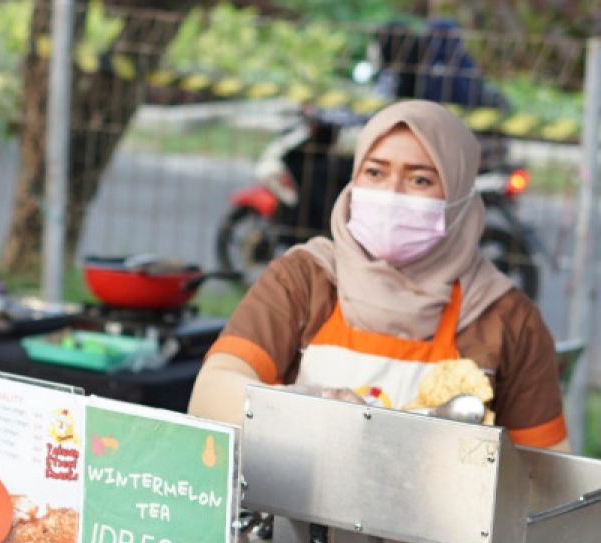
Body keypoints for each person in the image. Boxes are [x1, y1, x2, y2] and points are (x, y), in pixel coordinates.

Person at [188, 99, 567, 451]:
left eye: (420, 180)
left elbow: (543, 470)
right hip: (292, 516)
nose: (392, 194)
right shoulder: (305, 278)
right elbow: (211, 392)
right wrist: (301, 407)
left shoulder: (506, 319)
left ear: (458, 197)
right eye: (375, 172)